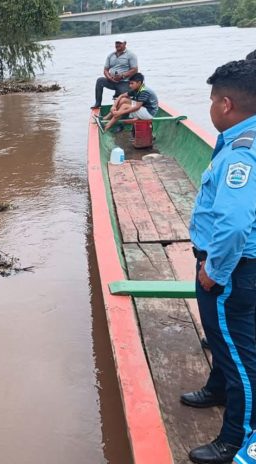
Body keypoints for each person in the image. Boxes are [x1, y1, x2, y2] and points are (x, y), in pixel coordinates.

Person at [179, 59, 256, 464]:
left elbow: (234, 224)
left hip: (231, 271)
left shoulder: (241, 155)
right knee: (226, 342)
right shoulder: (240, 140)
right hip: (236, 268)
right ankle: (217, 389)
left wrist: (214, 272)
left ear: (226, 104)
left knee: (239, 356)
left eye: (211, 101)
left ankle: (236, 440)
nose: (209, 108)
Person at [91, 38, 138, 109]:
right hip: (112, 81)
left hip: (124, 82)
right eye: (116, 43)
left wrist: (122, 76)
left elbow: (135, 70)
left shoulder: (131, 55)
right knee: (100, 80)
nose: (118, 45)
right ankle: (97, 103)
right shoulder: (111, 55)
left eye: (120, 43)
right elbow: (105, 70)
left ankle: (131, 107)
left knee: (124, 99)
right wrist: (109, 77)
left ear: (125, 43)